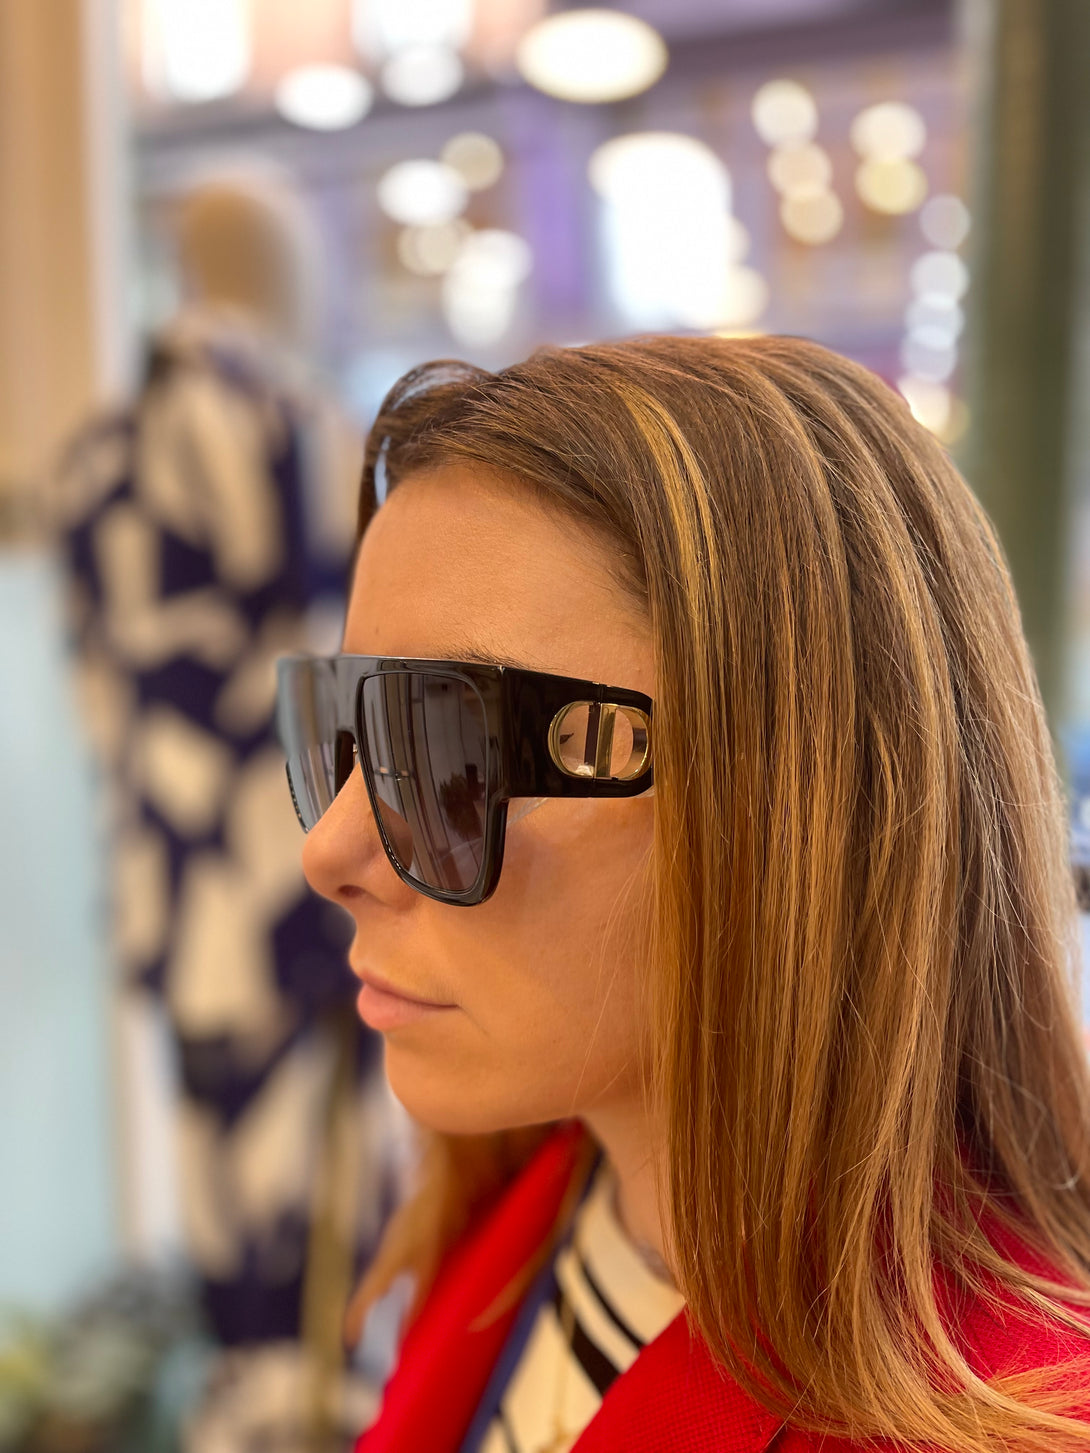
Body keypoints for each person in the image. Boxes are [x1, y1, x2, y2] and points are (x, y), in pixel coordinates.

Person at [280, 334, 1090, 1453]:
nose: (328, 851)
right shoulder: (520, 1212)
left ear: (787, 804)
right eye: (350, 726)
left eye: (451, 749)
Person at [54, 173, 394, 1367]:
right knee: (324, 1215)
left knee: (229, 1206)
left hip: (174, 883)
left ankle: (257, 1401)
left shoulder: (95, 454)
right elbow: (344, 672)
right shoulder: (295, 426)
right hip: (288, 879)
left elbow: (99, 699)